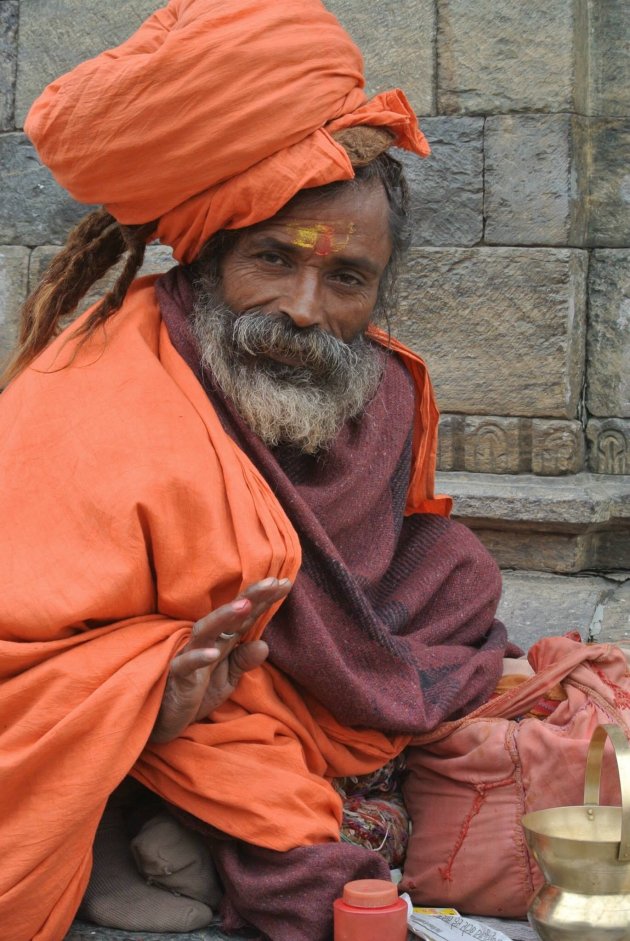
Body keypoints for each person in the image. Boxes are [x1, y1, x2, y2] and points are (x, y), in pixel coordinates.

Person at [0, 3, 515, 940]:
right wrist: (144, 695)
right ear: (207, 256)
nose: (304, 307)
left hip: (294, 681)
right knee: (193, 680)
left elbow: (380, 571)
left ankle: (203, 817)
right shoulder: (94, 387)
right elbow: (20, 639)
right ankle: (117, 819)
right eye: (273, 260)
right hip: (197, 700)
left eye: (346, 278)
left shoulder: (386, 390)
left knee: (455, 576)